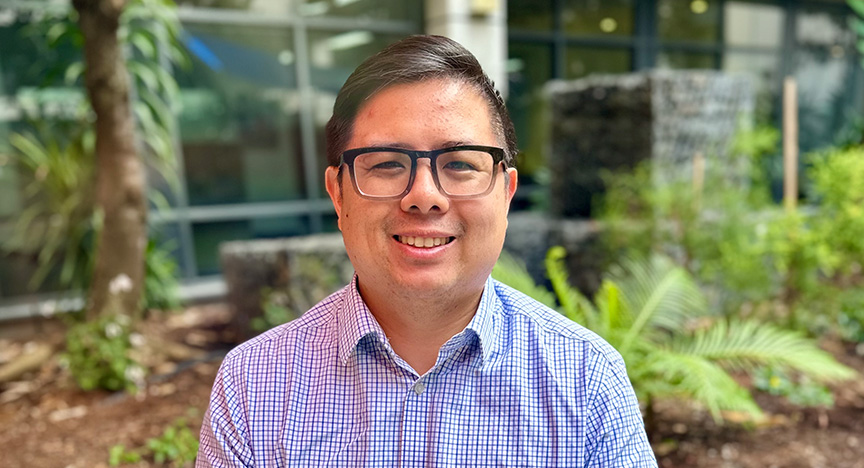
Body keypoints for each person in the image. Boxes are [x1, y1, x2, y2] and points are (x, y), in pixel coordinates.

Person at [196, 35, 657, 467]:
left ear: (506, 192)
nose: (424, 196)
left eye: (458, 163)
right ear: (338, 194)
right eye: (387, 164)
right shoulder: (254, 386)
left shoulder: (586, 381)